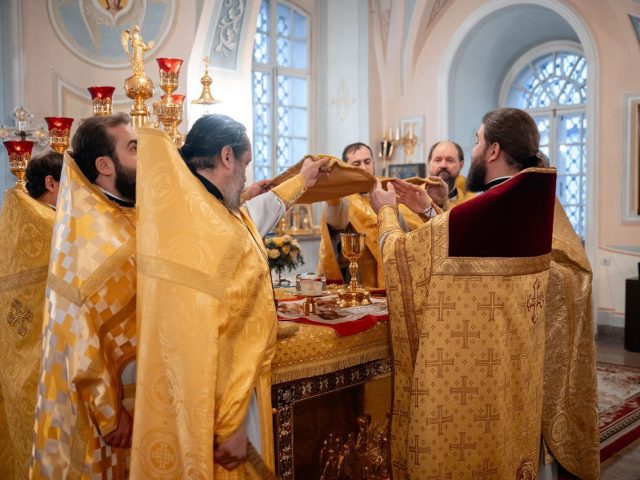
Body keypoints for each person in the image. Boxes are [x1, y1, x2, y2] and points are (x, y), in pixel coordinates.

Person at [131, 114, 328, 478]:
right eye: (245, 164)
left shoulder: (203, 210)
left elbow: (255, 214)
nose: (246, 178)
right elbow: (215, 332)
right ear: (226, 156)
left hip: (209, 394)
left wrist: (301, 180)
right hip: (222, 403)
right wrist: (231, 420)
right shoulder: (209, 229)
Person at [370, 108, 557, 478]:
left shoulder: (491, 206)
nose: (473, 151)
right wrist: (428, 209)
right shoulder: (527, 198)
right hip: (510, 364)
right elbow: (460, 239)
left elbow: (402, 257)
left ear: (493, 150)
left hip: (472, 376)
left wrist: (386, 213)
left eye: (476, 142)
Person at [31, 113, 137, 478]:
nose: (145, 157)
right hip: (98, 409)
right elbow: (74, 328)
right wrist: (109, 412)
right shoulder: (87, 233)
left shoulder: (127, 214)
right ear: (105, 165)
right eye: (134, 148)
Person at [0, 152, 62, 479]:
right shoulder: (54, 227)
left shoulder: (8, 225)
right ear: (52, 183)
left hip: (11, 360)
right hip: (48, 363)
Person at [318, 142, 421, 288]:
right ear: (346, 168)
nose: (364, 168)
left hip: (394, 273)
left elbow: (409, 230)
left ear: (373, 163)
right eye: (356, 164)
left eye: (367, 162)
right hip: (359, 277)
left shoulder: (390, 190)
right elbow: (335, 224)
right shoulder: (341, 198)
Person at [427, 140, 475, 207]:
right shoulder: (414, 198)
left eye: (450, 160)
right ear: (429, 163)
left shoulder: (472, 203)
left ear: (461, 164)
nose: (443, 165)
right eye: (438, 160)